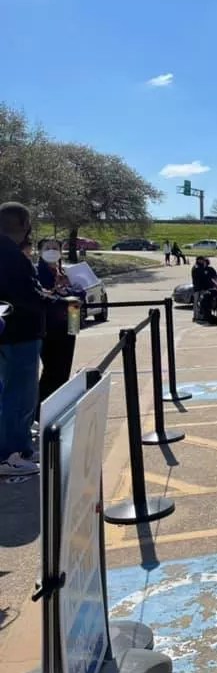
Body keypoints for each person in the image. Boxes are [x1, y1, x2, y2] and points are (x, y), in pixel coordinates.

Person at [0, 202, 57, 475]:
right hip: (19, 334)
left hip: (8, 333)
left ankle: (18, 446)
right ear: (24, 225)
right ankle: (11, 455)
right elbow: (27, 295)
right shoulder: (11, 255)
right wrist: (57, 301)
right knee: (19, 396)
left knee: (10, 393)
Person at [35, 238, 77, 417]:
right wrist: (59, 294)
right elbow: (40, 296)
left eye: (55, 248)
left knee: (63, 371)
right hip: (50, 328)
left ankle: (55, 411)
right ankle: (40, 412)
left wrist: (68, 291)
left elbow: (79, 291)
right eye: (47, 248)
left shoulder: (65, 271)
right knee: (52, 371)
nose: (52, 251)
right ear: (40, 251)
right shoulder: (37, 272)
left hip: (71, 324)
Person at [191, 256, 217, 323]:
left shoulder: (204, 268)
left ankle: (202, 316)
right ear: (199, 260)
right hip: (198, 288)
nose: (203, 262)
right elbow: (200, 277)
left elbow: (213, 277)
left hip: (203, 288)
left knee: (202, 303)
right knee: (197, 303)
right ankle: (196, 316)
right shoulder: (196, 267)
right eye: (203, 260)